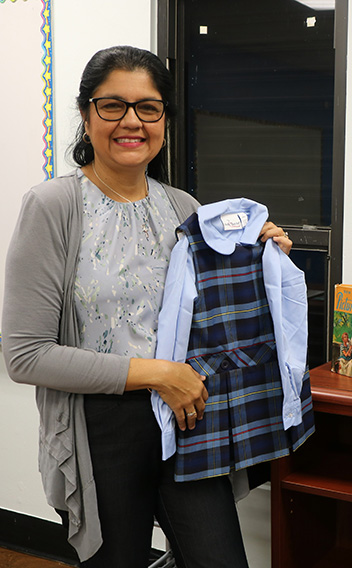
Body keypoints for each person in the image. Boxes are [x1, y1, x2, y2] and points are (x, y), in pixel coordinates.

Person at [2, 45, 292, 568]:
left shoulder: (184, 208)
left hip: (186, 414)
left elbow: (215, 317)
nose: (131, 121)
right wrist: (157, 373)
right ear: (87, 115)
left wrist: (262, 259)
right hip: (101, 426)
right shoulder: (53, 207)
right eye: (113, 105)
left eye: (148, 107)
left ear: (163, 119)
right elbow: (26, 355)